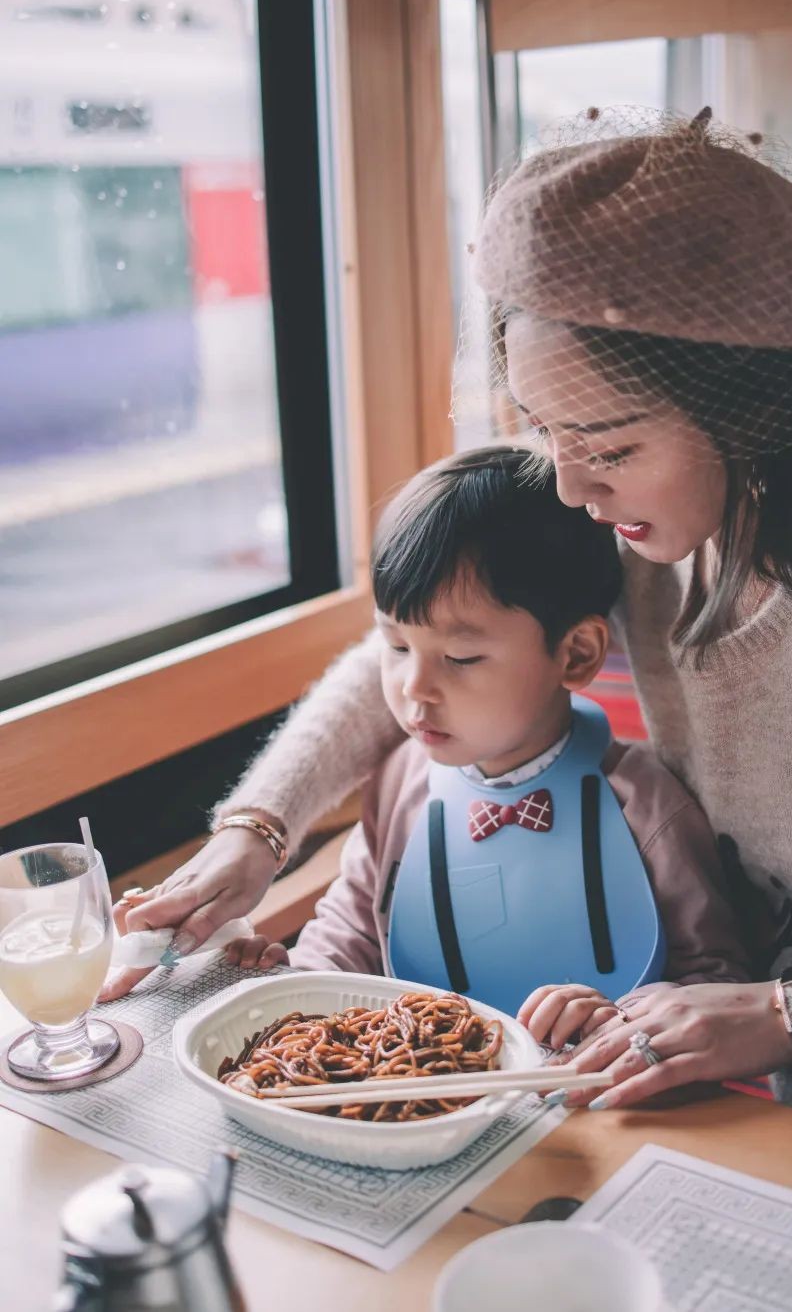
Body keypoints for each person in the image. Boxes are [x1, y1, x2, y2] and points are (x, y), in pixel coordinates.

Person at [108, 109, 792, 1187]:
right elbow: (417, 650)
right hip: (785, 1108)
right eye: (544, 431)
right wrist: (256, 834)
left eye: (607, 445)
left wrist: (790, 1008)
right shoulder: (648, 517)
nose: (570, 487)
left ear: (755, 413)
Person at [162, 445, 746, 1043]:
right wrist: (297, 980)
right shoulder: (400, 783)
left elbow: (715, 979)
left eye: (461, 657)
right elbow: (355, 928)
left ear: (576, 653)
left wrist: (625, 1018)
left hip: (602, 1097)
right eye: (395, 646)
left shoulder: (642, 803)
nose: (414, 687)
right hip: (423, 1086)